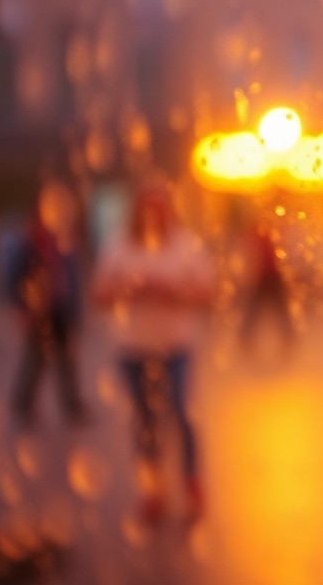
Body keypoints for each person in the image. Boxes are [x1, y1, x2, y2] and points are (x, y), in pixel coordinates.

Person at [92, 182, 215, 524]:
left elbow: (209, 292)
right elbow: (98, 294)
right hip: (133, 347)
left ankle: (191, 483)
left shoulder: (185, 245)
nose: (155, 215)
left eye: (161, 208)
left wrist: (174, 292)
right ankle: (153, 489)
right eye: (149, 207)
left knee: (181, 410)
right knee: (145, 420)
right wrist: (129, 289)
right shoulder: (118, 246)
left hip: (176, 344)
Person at [8, 196, 86, 427]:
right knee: (36, 359)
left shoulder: (64, 240)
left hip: (61, 309)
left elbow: (72, 279)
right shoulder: (31, 242)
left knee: (67, 360)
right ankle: (22, 403)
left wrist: (75, 311)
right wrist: (22, 307)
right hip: (40, 311)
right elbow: (17, 278)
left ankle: (73, 406)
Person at [238, 219, 295, 356]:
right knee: (256, 310)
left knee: (276, 310)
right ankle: (245, 338)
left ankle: (288, 339)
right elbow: (252, 254)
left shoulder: (272, 230)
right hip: (264, 276)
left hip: (271, 276)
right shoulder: (258, 232)